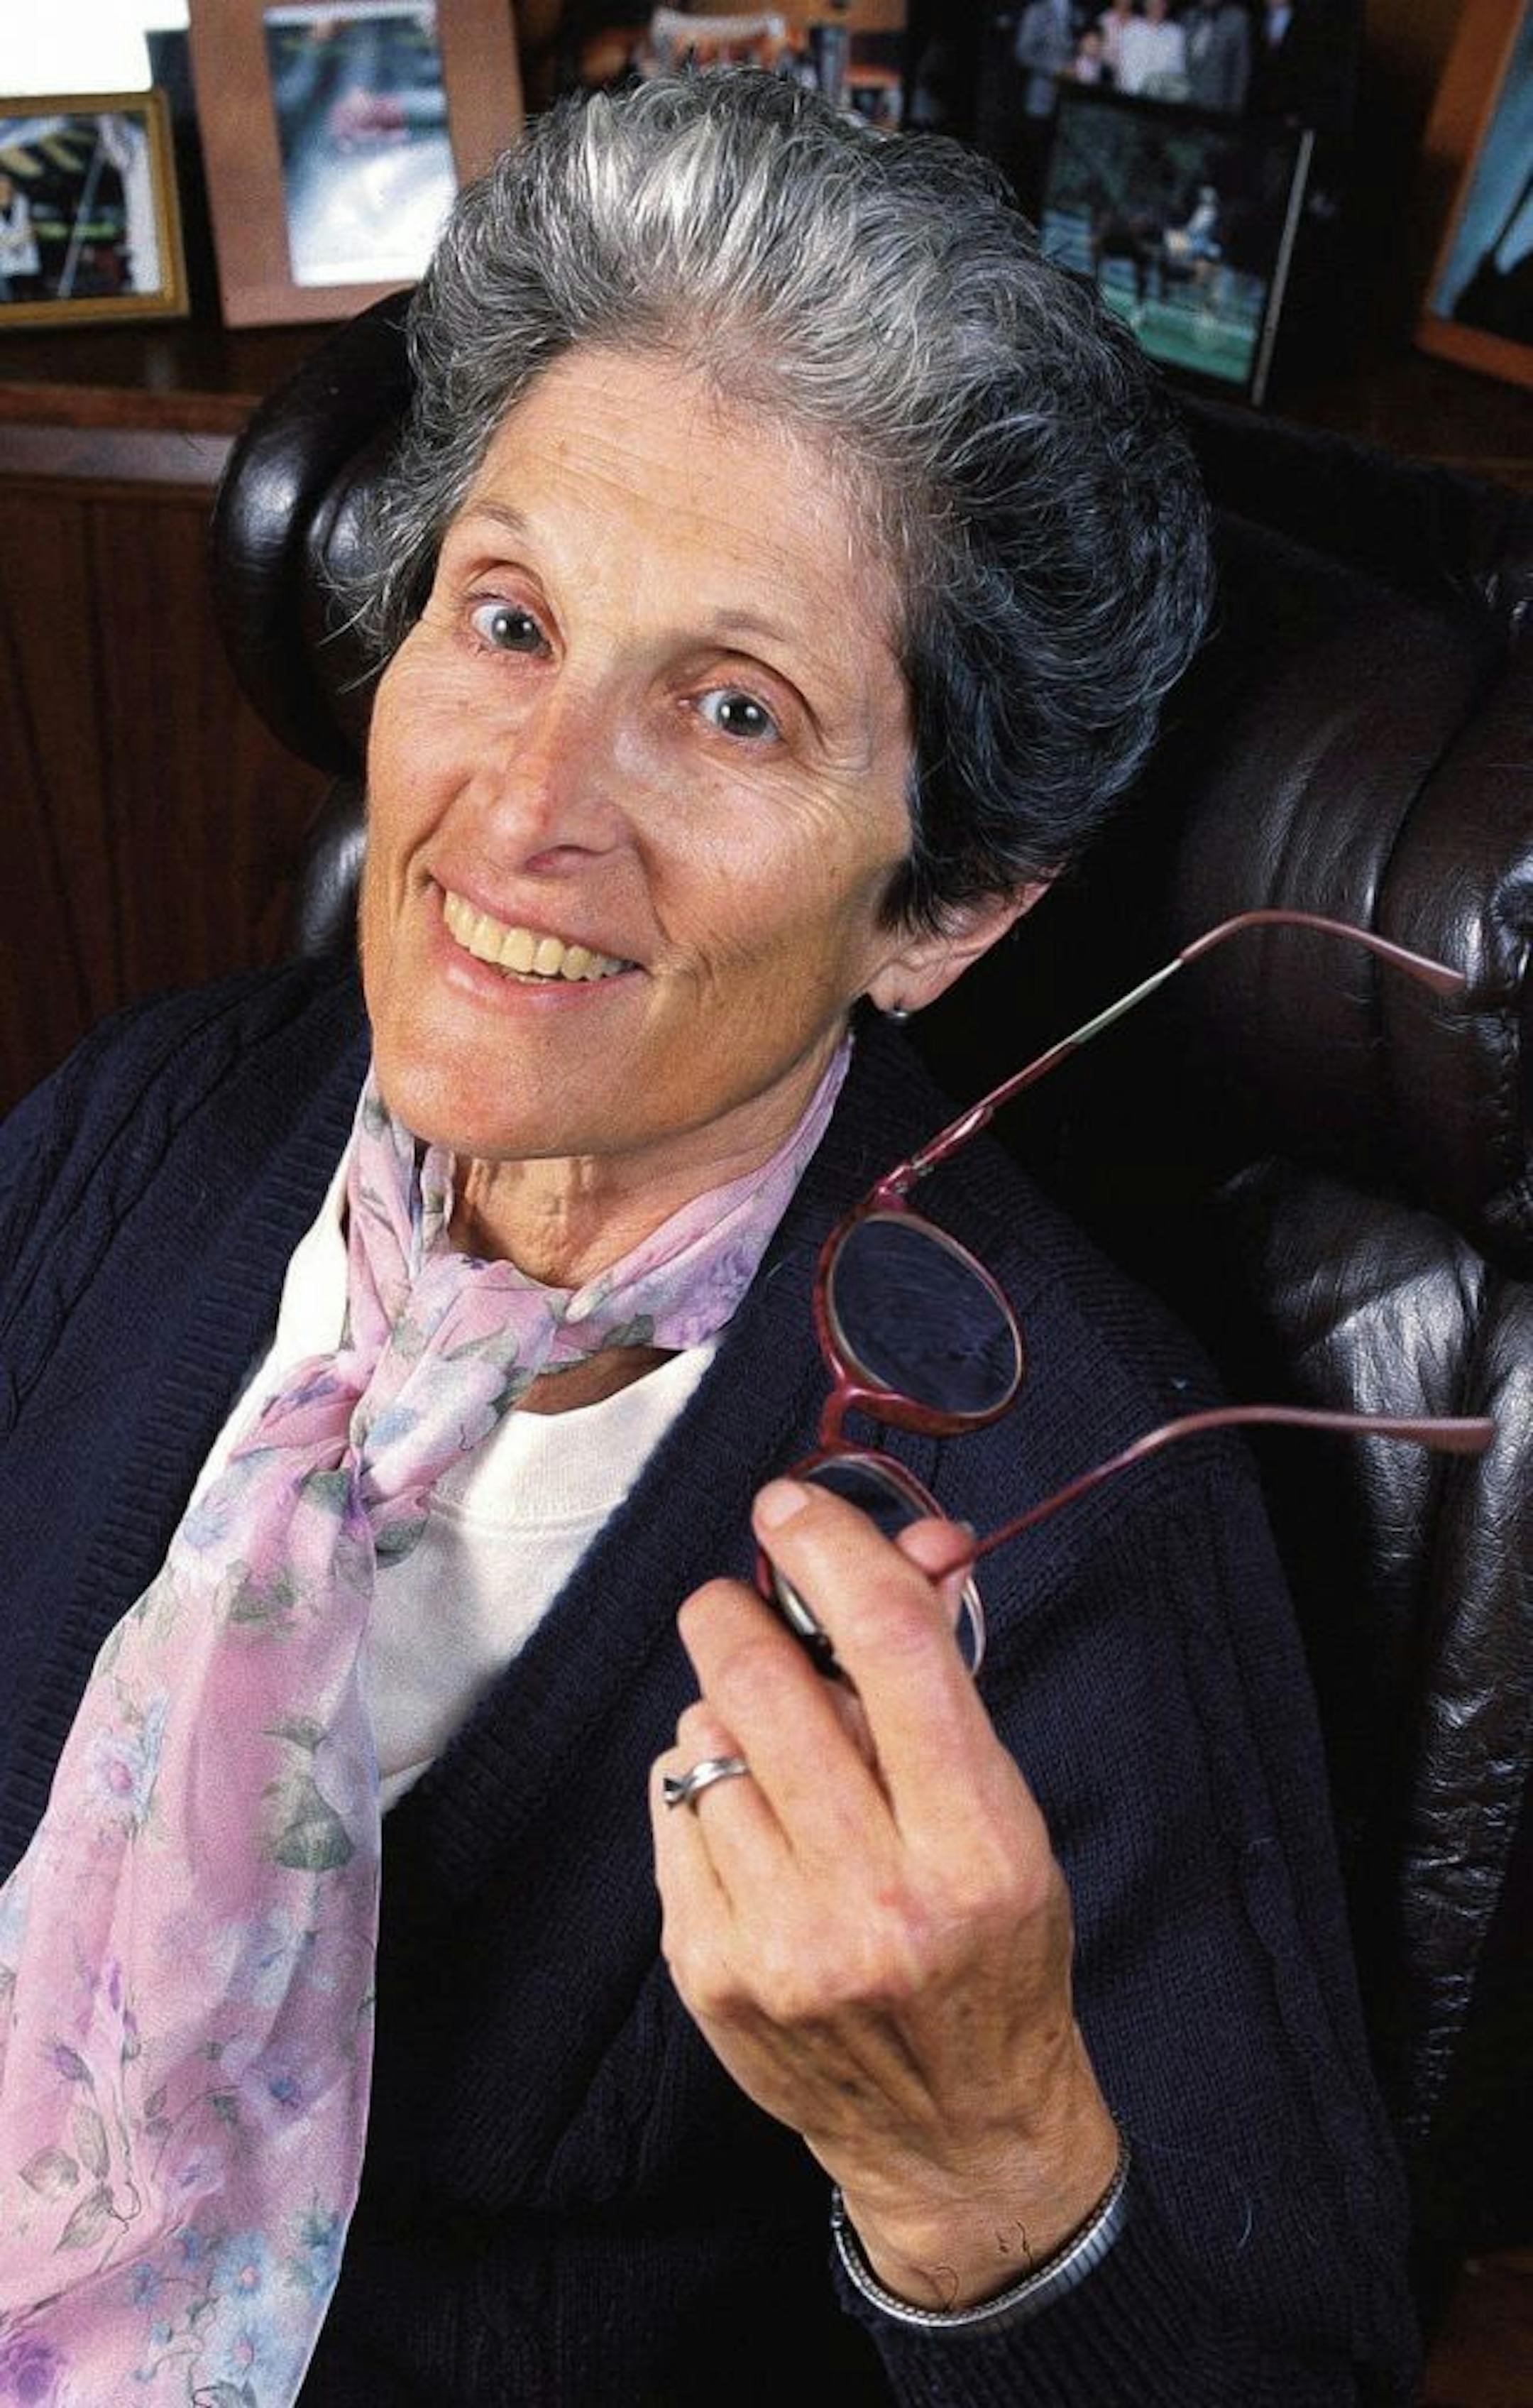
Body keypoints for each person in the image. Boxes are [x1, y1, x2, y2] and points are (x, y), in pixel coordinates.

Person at [0, 67, 1418, 2408]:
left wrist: (990, 2175)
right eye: (512, 616)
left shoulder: (1075, 1535)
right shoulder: (142, 1125)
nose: (529, 809)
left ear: (945, 911)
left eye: (735, 708)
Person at [1116, 0, 1189, 97]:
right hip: (1130, 96)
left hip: (1162, 100)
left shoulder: (1177, 34)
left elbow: (1178, 72)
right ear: (1145, 4)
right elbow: (1122, 67)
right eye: (1152, 3)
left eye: (1161, 3)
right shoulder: (1131, 29)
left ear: (1166, 5)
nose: (1156, 6)